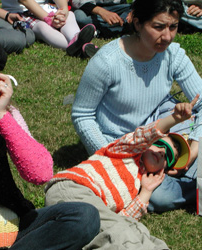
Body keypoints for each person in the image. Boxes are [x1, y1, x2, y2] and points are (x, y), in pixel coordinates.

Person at [0, 43, 100, 250]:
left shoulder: (6, 115)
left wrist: (1, 115)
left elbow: (41, 174)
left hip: (12, 227)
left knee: (84, 217)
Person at [71, 0, 202, 212]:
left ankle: (186, 172)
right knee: (161, 197)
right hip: (121, 146)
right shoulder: (108, 62)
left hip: (162, 132)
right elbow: (82, 115)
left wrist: (195, 148)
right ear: (138, 23)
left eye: (173, 27)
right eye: (158, 27)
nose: (167, 36)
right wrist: (109, 157)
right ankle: (188, 183)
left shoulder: (173, 55)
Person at [46, 96, 198, 250]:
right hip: (72, 188)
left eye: (168, 157)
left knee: (133, 228)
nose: (161, 152)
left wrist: (146, 192)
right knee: (115, 230)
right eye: (160, 144)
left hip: (86, 210)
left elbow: (124, 218)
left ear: (163, 169)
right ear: (149, 143)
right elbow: (143, 135)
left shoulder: (135, 187)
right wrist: (174, 119)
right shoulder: (125, 152)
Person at [1, 0, 98, 57]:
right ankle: (82, 44)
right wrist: (48, 19)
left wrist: (63, 10)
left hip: (44, 8)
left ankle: (78, 41)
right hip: (20, 12)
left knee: (69, 15)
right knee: (42, 27)